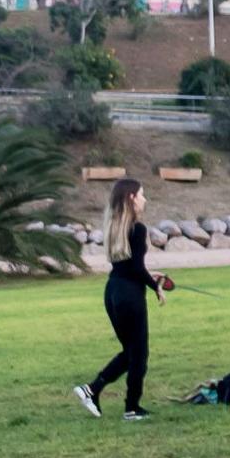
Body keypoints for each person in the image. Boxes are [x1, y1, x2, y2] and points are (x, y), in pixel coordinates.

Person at [74, 177, 167, 421]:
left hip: (113, 291)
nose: (145, 199)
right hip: (129, 296)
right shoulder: (138, 229)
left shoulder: (114, 226)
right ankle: (132, 408)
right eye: (142, 194)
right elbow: (136, 268)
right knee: (139, 355)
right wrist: (155, 286)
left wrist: (149, 277)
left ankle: (92, 390)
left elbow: (127, 266)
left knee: (130, 352)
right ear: (131, 198)